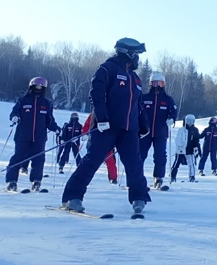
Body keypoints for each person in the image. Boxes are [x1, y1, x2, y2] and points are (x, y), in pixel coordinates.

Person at [60, 38, 152, 215]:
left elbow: (139, 105)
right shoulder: (107, 69)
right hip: (107, 126)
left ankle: (139, 198)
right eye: (136, 55)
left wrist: (143, 125)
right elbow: (96, 94)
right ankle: (72, 197)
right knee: (92, 160)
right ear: (128, 53)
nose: (138, 59)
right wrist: (101, 118)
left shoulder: (136, 79)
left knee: (135, 164)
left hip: (129, 129)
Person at [4, 76, 61, 192]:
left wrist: (56, 129)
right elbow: (14, 112)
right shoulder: (23, 100)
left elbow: (49, 120)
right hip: (22, 136)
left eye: (41, 88)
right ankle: (11, 181)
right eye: (36, 87)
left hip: (39, 137)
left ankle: (36, 181)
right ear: (31, 87)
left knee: (39, 159)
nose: (38, 90)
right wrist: (14, 117)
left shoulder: (46, 103)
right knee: (18, 157)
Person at [138, 72, 178, 189]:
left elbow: (173, 112)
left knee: (160, 156)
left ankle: (158, 178)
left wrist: (171, 119)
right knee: (140, 155)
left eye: (160, 83)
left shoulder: (167, 99)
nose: (157, 85)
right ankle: (136, 177)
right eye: (155, 83)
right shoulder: (144, 98)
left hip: (160, 132)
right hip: (145, 132)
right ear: (151, 84)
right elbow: (137, 111)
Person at [82, 112, 119, 185]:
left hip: (108, 141)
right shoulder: (94, 113)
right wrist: (85, 133)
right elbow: (87, 124)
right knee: (91, 160)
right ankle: (84, 177)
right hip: (95, 141)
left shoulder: (114, 112)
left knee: (110, 160)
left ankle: (113, 178)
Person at [169, 114, 201, 185]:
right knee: (176, 163)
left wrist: (196, 147)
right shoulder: (181, 130)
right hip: (181, 149)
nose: (190, 123)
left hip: (190, 149)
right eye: (188, 121)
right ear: (185, 121)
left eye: (191, 121)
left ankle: (192, 176)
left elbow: (196, 140)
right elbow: (178, 139)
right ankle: (173, 176)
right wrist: (179, 147)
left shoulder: (195, 130)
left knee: (191, 164)